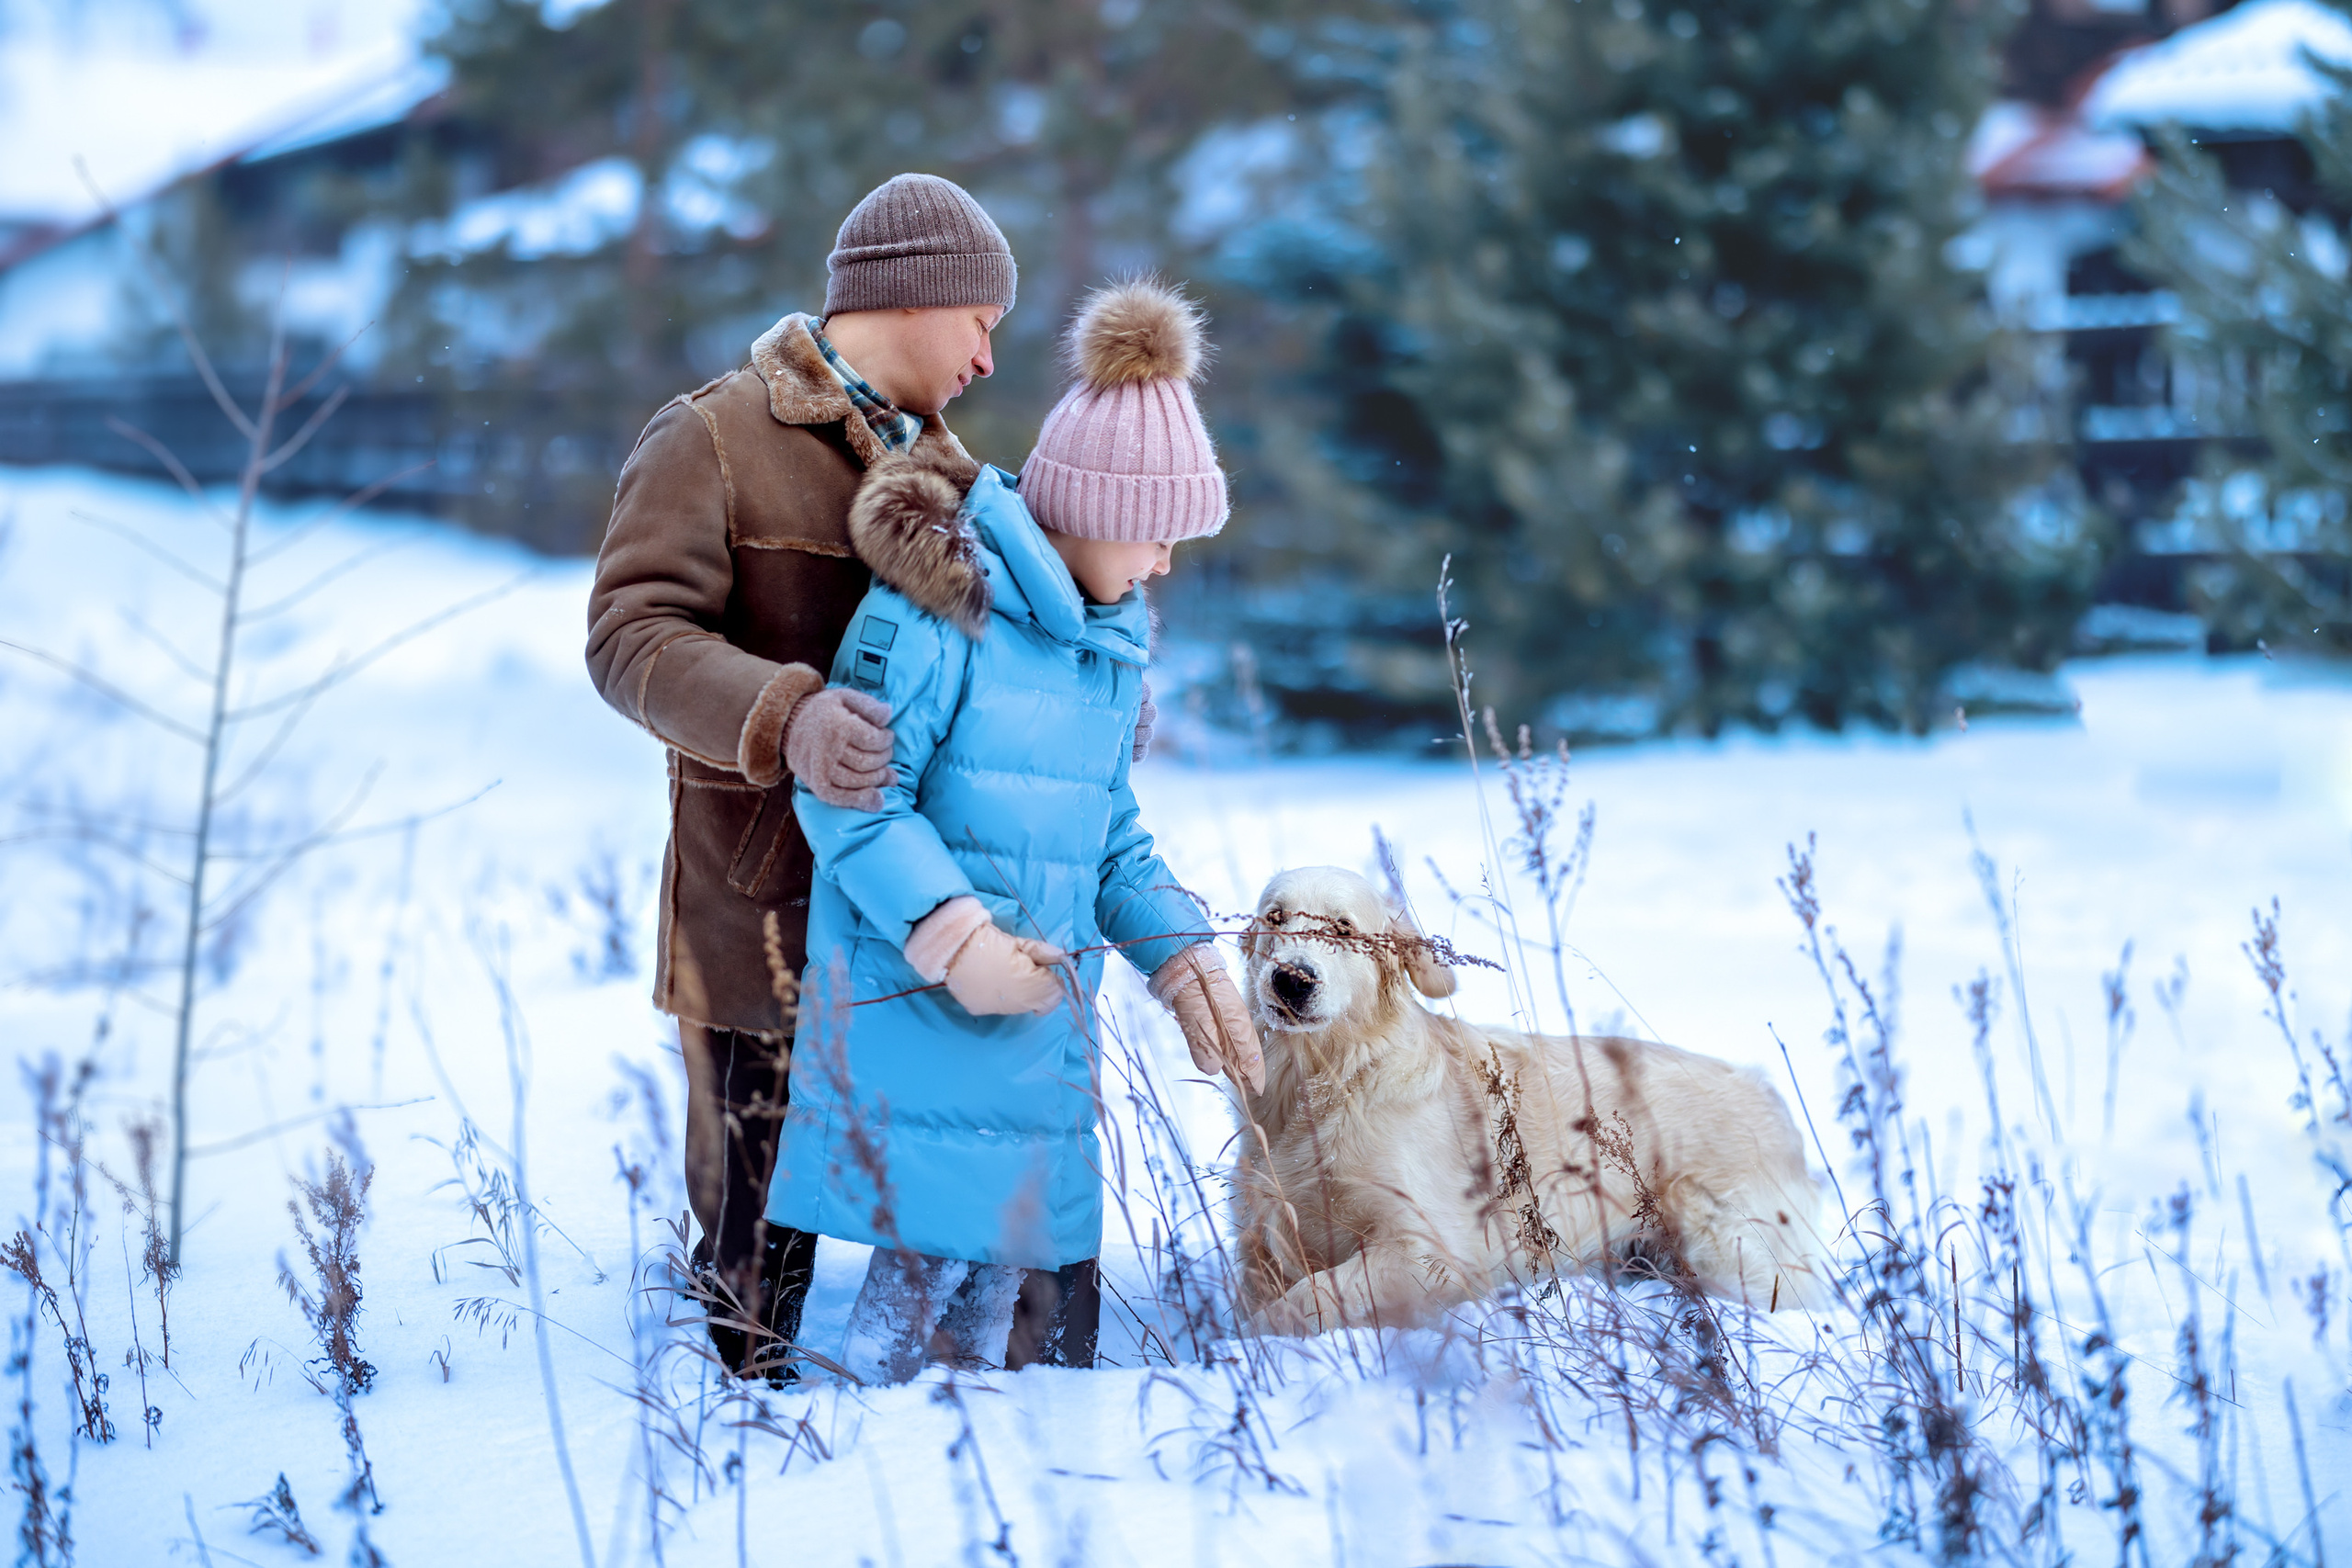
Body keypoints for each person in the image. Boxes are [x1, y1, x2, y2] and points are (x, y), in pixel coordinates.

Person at [771, 277, 1264, 1382]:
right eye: (1156, 536)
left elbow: (1108, 836)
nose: (1165, 564)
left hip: (1038, 1047)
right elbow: (852, 797)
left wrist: (1183, 963)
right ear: (1093, 512)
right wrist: (955, 941)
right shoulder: (942, 608)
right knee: (905, 1343)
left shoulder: (1104, 647)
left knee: (1016, 1367)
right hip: (929, 1021)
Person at [585, 173, 1017, 1379]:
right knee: (753, 1256)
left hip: (902, 901)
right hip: (755, 904)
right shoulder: (711, 436)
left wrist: (1087, 692)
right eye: (982, 320)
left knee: (899, 1175)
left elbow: (992, 658)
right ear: (916, 295)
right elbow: (628, 636)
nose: (987, 357)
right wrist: (787, 715)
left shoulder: (958, 481)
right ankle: (740, 1429)